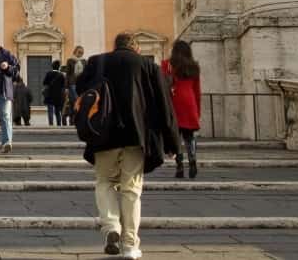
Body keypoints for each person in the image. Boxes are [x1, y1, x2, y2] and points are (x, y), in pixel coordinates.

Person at [76, 32, 178, 259]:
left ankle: (111, 226)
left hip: (103, 134)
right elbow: (165, 106)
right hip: (136, 136)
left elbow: (80, 87)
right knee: (131, 189)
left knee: (104, 182)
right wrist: (172, 142)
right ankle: (130, 245)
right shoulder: (148, 66)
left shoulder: (98, 62)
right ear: (136, 48)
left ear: (115, 46)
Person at [162, 40, 203, 179]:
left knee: (176, 137)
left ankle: (179, 167)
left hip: (174, 102)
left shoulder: (167, 64)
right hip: (190, 102)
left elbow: (163, 85)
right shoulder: (194, 67)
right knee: (189, 136)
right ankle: (192, 161)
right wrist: (198, 112)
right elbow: (197, 91)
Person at [42, 61, 66, 126]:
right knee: (57, 111)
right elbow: (64, 85)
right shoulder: (61, 75)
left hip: (50, 94)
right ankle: (59, 124)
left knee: (50, 111)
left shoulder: (48, 73)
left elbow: (44, 83)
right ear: (59, 67)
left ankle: (51, 124)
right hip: (58, 96)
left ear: (52, 66)